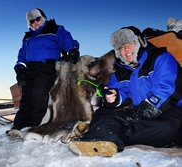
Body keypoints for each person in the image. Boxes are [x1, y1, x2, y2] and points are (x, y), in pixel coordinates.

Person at [68, 26, 182, 157]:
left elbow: (166, 86)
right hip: (137, 111)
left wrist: (149, 107)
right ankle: (102, 136)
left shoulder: (161, 58)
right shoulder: (120, 71)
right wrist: (115, 98)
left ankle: (105, 134)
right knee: (104, 112)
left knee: (165, 128)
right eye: (121, 48)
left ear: (140, 43)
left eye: (130, 44)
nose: (126, 50)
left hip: (170, 109)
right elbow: (121, 92)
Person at [10, 8, 80, 131]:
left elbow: (66, 39)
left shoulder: (55, 29)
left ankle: (32, 126)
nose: (35, 22)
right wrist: (20, 67)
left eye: (37, 19)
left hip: (47, 67)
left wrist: (72, 49)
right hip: (30, 69)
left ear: (43, 18)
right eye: (32, 21)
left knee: (38, 95)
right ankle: (17, 127)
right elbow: (22, 53)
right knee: (26, 98)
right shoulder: (28, 36)